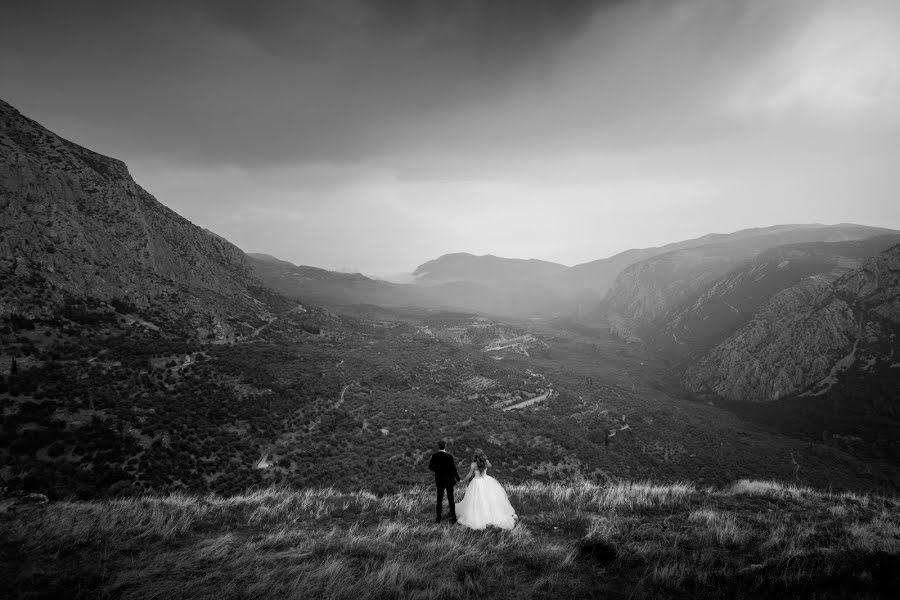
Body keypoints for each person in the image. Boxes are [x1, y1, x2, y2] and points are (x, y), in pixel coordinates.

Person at [455, 449, 517, 530]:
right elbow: (490, 466)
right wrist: (485, 461)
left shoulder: (473, 464)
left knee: (476, 500)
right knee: (489, 499)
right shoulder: (485, 462)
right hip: (486, 480)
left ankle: (479, 515)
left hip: (476, 483)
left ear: (475, 456)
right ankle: (490, 515)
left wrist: (463, 480)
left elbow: (469, 475)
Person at [428, 440, 461, 524]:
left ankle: (438, 518)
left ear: (438, 446)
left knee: (439, 498)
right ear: (445, 446)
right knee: (451, 499)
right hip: (449, 479)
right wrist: (458, 479)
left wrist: (437, 470)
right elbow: (454, 469)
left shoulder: (434, 456)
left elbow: (430, 466)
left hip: (439, 480)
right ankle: (453, 518)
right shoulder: (449, 456)